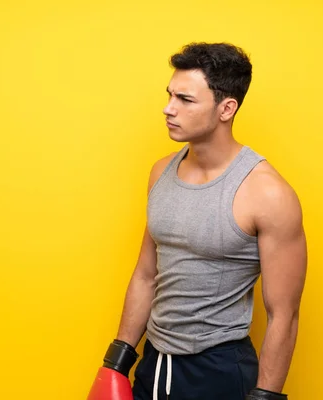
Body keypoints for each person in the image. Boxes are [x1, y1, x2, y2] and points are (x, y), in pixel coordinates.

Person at [99, 42, 307, 400]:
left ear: (227, 108)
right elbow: (147, 274)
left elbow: (283, 314)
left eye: (186, 99)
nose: (168, 109)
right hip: (153, 364)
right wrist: (116, 362)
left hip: (218, 371)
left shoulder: (267, 194)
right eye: (169, 95)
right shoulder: (161, 172)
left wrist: (265, 397)